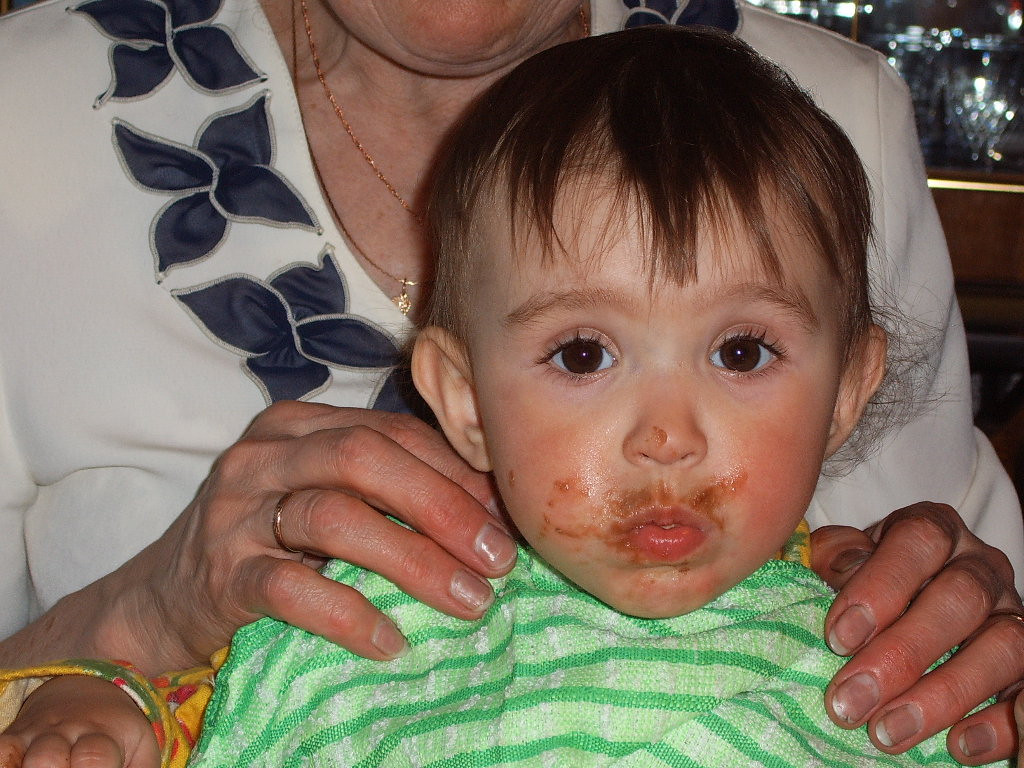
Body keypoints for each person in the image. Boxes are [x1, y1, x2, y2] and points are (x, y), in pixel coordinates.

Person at [0, 0, 1021, 763]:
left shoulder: (836, 109)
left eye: (742, 353)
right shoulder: (338, 659)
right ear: (459, 394)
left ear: (848, 390)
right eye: (581, 355)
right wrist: (110, 679)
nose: (667, 435)